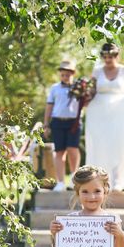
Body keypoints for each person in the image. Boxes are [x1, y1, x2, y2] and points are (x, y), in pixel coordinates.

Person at [85, 43, 124, 190]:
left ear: (117, 56)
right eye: (105, 57)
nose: (107, 60)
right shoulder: (97, 71)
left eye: (110, 57)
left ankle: (118, 179)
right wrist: (84, 96)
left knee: (119, 143)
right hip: (98, 112)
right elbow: (91, 90)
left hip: (120, 111)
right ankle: (99, 179)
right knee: (101, 144)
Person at [44, 60, 81, 191]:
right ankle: (60, 182)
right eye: (63, 74)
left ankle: (74, 178)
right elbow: (49, 106)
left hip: (73, 122)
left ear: (73, 74)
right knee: (59, 151)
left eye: (68, 74)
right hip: (58, 121)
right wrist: (46, 124)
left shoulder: (79, 87)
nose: (65, 77)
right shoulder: (55, 88)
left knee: (72, 149)